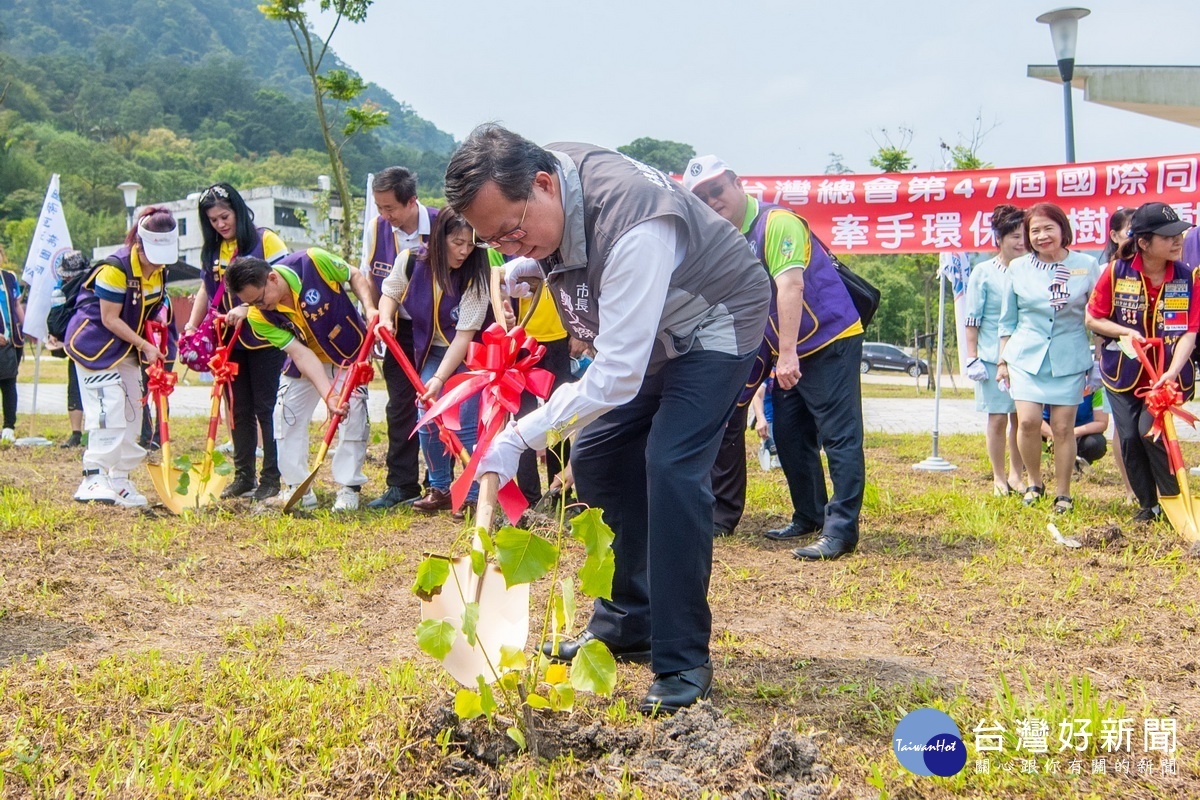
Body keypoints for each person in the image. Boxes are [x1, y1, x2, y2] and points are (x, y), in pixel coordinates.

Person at [445, 125, 771, 716]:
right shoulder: (548, 176)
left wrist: (521, 436)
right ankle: (627, 618)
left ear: (543, 185)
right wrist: (533, 266)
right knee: (596, 454)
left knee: (670, 465)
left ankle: (682, 657)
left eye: (515, 232)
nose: (512, 247)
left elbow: (616, 374)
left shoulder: (635, 226)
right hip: (651, 329)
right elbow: (573, 259)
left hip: (714, 320)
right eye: (497, 243)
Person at [683, 155, 865, 560]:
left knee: (839, 436)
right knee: (790, 435)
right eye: (702, 196)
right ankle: (809, 515)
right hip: (788, 349)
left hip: (829, 339)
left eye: (717, 189)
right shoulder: (725, 238)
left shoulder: (777, 221)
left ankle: (841, 530)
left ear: (736, 183)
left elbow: (790, 287)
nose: (713, 200)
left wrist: (785, 357)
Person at [224, 248, 377, 512]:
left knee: (352, 414)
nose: (259, 307)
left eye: (260, 299)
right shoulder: (259, 316)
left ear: (272, 278)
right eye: (251, 304)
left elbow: (353, 274)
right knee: (285, 413)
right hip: (307, 361)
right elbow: (300, 354)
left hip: (347, 352)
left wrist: (371, 307)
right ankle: (297, 487)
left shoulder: (313, 261)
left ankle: (348, 487)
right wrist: (328, 394)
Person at [1085, 202, 1197, 523]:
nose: (1178, 241)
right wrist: (1123, 330)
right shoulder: (1116, 272)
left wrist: (1172, 372)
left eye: (1179, 234)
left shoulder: (1189, 278)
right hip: (1124, 371)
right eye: (1168, 236)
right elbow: (1093, 318)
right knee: (1130, 437)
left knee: (1151, 431)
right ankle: (1148, 506)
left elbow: (1190, 331)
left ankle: (1174, 500)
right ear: (1144, 243)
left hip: (1169, 373)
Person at [376, 207, 490, 516]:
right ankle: (440, 487)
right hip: (431, 350)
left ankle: (472, 493)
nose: (464, 251)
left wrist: (438, 379)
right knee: (427, 415)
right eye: (457, 242)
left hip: (468, 355)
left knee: (464, 423)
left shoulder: (477, 277)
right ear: (440, 239)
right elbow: (390, 292)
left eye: (471, 244)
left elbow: (464, 338)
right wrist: (385, 318)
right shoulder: (412, 261)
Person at [65, 206, 178, 507]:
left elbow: (158, 298)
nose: (157, 264)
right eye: (152, 255)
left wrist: (162, 312)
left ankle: (120, 477)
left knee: (133, 409)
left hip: (128, 348)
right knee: (108, 405)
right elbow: (110, 318)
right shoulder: (114, 268)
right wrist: (144, 344)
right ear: (139, 244)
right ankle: (93, 475)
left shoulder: (160, 269)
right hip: (96, 346)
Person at [187, 183, 290, 501]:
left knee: (267, 408)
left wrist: (248, 307)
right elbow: (207, 288)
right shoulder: (212, 250)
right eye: (213, 220)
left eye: (225, 215)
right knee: (238, 409)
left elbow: (285, 279)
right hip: (228, 342)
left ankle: (272, 477)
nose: (220, 224)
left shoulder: (265, 239)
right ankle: (244, 476)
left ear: (238, 211)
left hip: (265, 337)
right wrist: (192, 325)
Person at [996, 203, 1099, 514]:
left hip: (1069, 357)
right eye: (1035, 230)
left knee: (1063, 427)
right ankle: (1034, 483)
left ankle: (1064, 492)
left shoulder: (1087, 264)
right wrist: (1002, 361)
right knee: (1027, 422)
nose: (1042, 236)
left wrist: (1099, 361)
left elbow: (1097, 314)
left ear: (1062, 230)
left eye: (1048, 228)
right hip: (1026, 356)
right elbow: (1007, 320)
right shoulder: (1018, 268)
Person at [361, 167, 437, 510]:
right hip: (397, 331)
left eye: (390, 208)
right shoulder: (377, 229)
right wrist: (378, 317)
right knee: (400, 407)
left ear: (412, 202)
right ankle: (401, 484)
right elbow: (368, 276)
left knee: (439, 404)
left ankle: (441, 483)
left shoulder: (442, 225)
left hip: (438, 332)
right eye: (379, 207)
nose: (384, 215)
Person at [503, 256, 578, 509]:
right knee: (522, 420)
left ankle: (559, 497)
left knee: (560, 419)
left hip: (559, 339)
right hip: (522, 342)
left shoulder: (556, 245)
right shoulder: (506, 251)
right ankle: (529, 499)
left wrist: (577, 333)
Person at [963, 205, 1027, 496]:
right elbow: (972, 318)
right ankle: (998, 477)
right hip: (990, 358)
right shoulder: (984, 272)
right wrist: (971, 356)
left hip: (1025, 356)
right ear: (999, 238)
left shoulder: (1031, 269)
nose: (1021, 241)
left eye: (1024, 235)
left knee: (1023, 418)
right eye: (1014, 236)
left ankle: (1018, 474)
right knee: (999, 417)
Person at [1040, 387, 1108, 469]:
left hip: (1079, 433)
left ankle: (1078, 464)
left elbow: (1102, 422)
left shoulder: (1096, 386)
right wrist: (1053, 435)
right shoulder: (1046, 382)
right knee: (1027, 430)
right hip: (1048, 432)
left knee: (1096, 443)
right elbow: (1033, 417)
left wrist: (1072, 433)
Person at [0, 264, 25, 442]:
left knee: (9, 383)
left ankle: (9, 426)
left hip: (11, 340)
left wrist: (26, 328)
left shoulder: (9, 278)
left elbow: (16, 305)